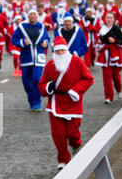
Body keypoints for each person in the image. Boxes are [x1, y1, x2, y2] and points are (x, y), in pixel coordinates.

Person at [38, 36, 94, 170]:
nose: (61, 53)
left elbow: (88, 79)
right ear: (54, 52)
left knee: (72, 133)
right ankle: (63, 160)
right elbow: (41, 85)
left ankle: (76, 144)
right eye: (58, 51)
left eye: (63, 50)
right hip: (55, 103)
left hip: (73, 102)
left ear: (67, 50)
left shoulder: (77, 62)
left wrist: (76, 90)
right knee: (58, 135)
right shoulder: (50, 65)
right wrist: (48, 87)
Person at [11, 8, 50, 111]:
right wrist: (23, 42)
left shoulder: (41, 26)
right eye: (31, 14)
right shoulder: (22, 27)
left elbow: (47, 38)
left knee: (37, 79)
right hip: (26, 57)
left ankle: (37, 102)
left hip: (39, 57)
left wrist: (46, 43)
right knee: (26, 82)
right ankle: (31, 101)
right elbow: (14, 39)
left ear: (37, 16)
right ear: (28, 16)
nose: (33, 16)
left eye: (34, 14)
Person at [95, 11, 122, 104]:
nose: (108, 19)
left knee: (116, 76)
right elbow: (99, 41)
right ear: (105, 19)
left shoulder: (117, 29)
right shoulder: (102, 29)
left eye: (110, 18)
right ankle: (108, 97)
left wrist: (114, 41)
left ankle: (119, 90)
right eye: (107, 18)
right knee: (106, 76)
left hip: (115, 55)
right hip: (105, 55)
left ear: (114, 19)